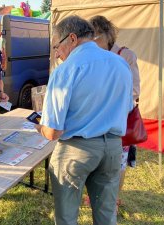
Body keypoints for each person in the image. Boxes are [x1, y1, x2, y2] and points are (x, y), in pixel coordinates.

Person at [35, 16, 133, 225]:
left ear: (71, 38)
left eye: (56, 46)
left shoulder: (65, 70)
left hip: (76, 150)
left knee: (66, 217)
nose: (57, 54)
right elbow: (127, 107)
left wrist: (39, 127)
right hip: (113, 148)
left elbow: (53, 132)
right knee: (106, 215)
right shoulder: (121, 63)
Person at [89, 15, 141, 210]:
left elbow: (135, 90)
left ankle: (114, 199)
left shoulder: (126, 55)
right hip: (96, 120)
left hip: (119, 121)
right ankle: (97, 195)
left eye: (94, 38)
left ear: (105, 35)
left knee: (117, 164)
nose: (91, 43)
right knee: (98, 162)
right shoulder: (92, 56)